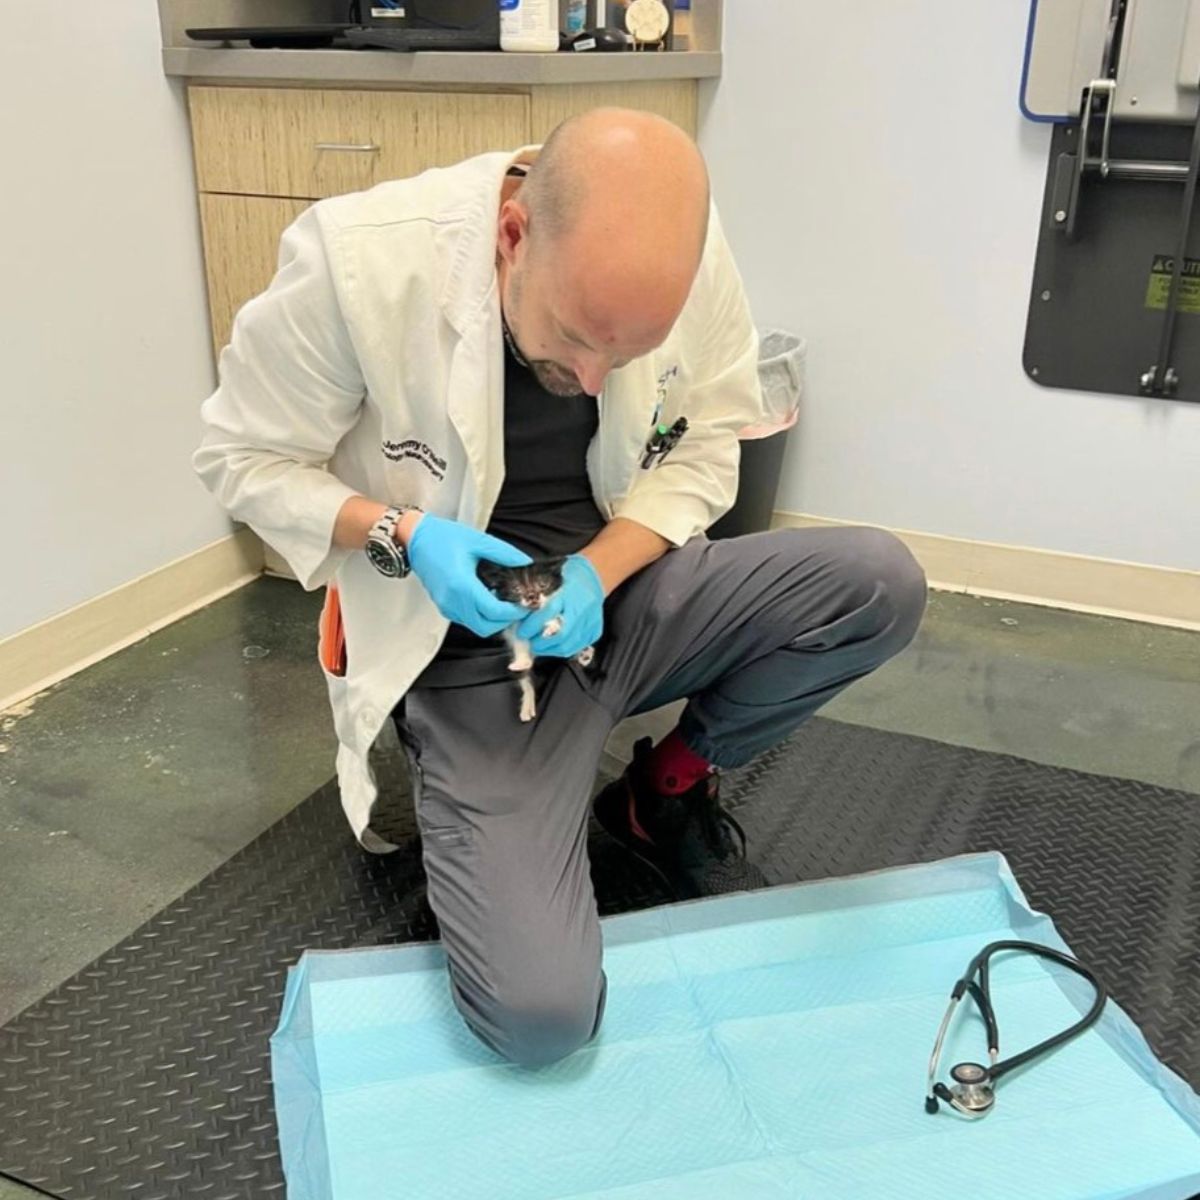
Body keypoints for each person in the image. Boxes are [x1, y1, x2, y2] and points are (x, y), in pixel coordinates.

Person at [194, 108, 926, 1068]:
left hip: (624, 598)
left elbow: (708, 446)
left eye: (622, 359)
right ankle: (480, 780)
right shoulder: (361, 263)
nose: (589, 380)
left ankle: (659, 790)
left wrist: (599, 568)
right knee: (539, 1019)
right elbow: (242, 458)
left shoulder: (680, 264)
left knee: (876, 583)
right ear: (512, 238)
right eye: (577, 340)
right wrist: (404, 535)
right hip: (468, 656)